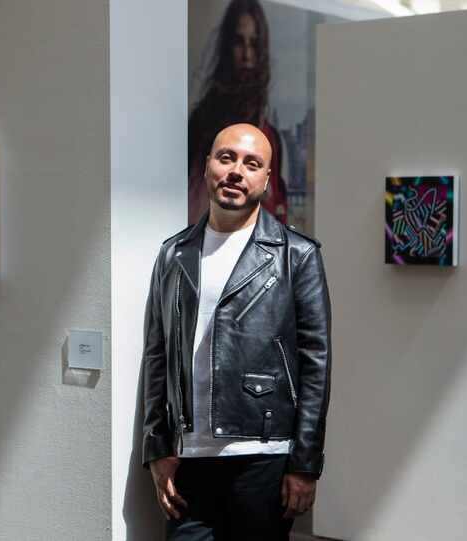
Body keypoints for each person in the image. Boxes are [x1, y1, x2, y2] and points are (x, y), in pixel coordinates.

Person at [142, 123, 331, 540]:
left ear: (266, 180)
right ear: (208, 165)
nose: (236, 171)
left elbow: (315, 363)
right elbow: (157, 354)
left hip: (263, 455)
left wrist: (305, 462)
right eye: (226, 157)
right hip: (189, 458)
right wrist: (158, 446)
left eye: (251, 163)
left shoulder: (296, 255)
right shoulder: (174, 253)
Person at [188, 0, 288, 226]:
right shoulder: (203, 123)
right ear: (227, 47)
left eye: (254, 44)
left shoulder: (270, 136)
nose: (246, 55)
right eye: (239, 43)